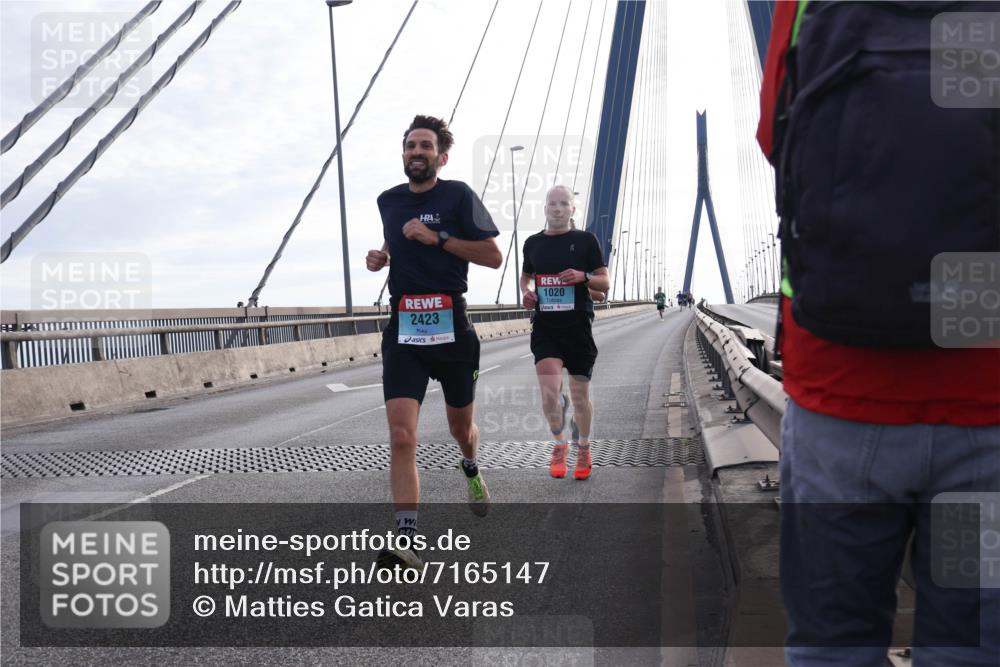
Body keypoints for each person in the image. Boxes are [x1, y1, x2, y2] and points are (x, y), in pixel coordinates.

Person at [758, 3, 1000, 665]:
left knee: (833, 646)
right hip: (988, 415)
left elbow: (779, 138)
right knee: (971, 649)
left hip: (840, 402)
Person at [366, 115, 502, 569]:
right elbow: (395, 236)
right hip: (404, 330)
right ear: (403, 153)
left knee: (461, 430)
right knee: (402, 435)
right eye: (410, 145)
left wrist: (437, 238)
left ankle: (471, 465)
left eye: (425, 146)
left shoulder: (458, 195)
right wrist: (382, 256)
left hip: (452, 330)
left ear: (441, 157)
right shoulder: (388, 201)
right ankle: (406, 539)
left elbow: (493, 256)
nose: (416, 152)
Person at [520, 185, 610, 480]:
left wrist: (583, 276)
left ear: (572, 209)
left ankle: (583, 447)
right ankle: (560, 444)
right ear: (545, 208)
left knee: (579, 397)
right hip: (546, 329)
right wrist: (527, 292)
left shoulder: (585, 241)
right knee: (549, 395)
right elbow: (526, 277)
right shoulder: (532, 243)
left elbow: (604, 282)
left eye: (563, 204)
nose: (557, 208)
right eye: (552, 203)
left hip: (578, 329)